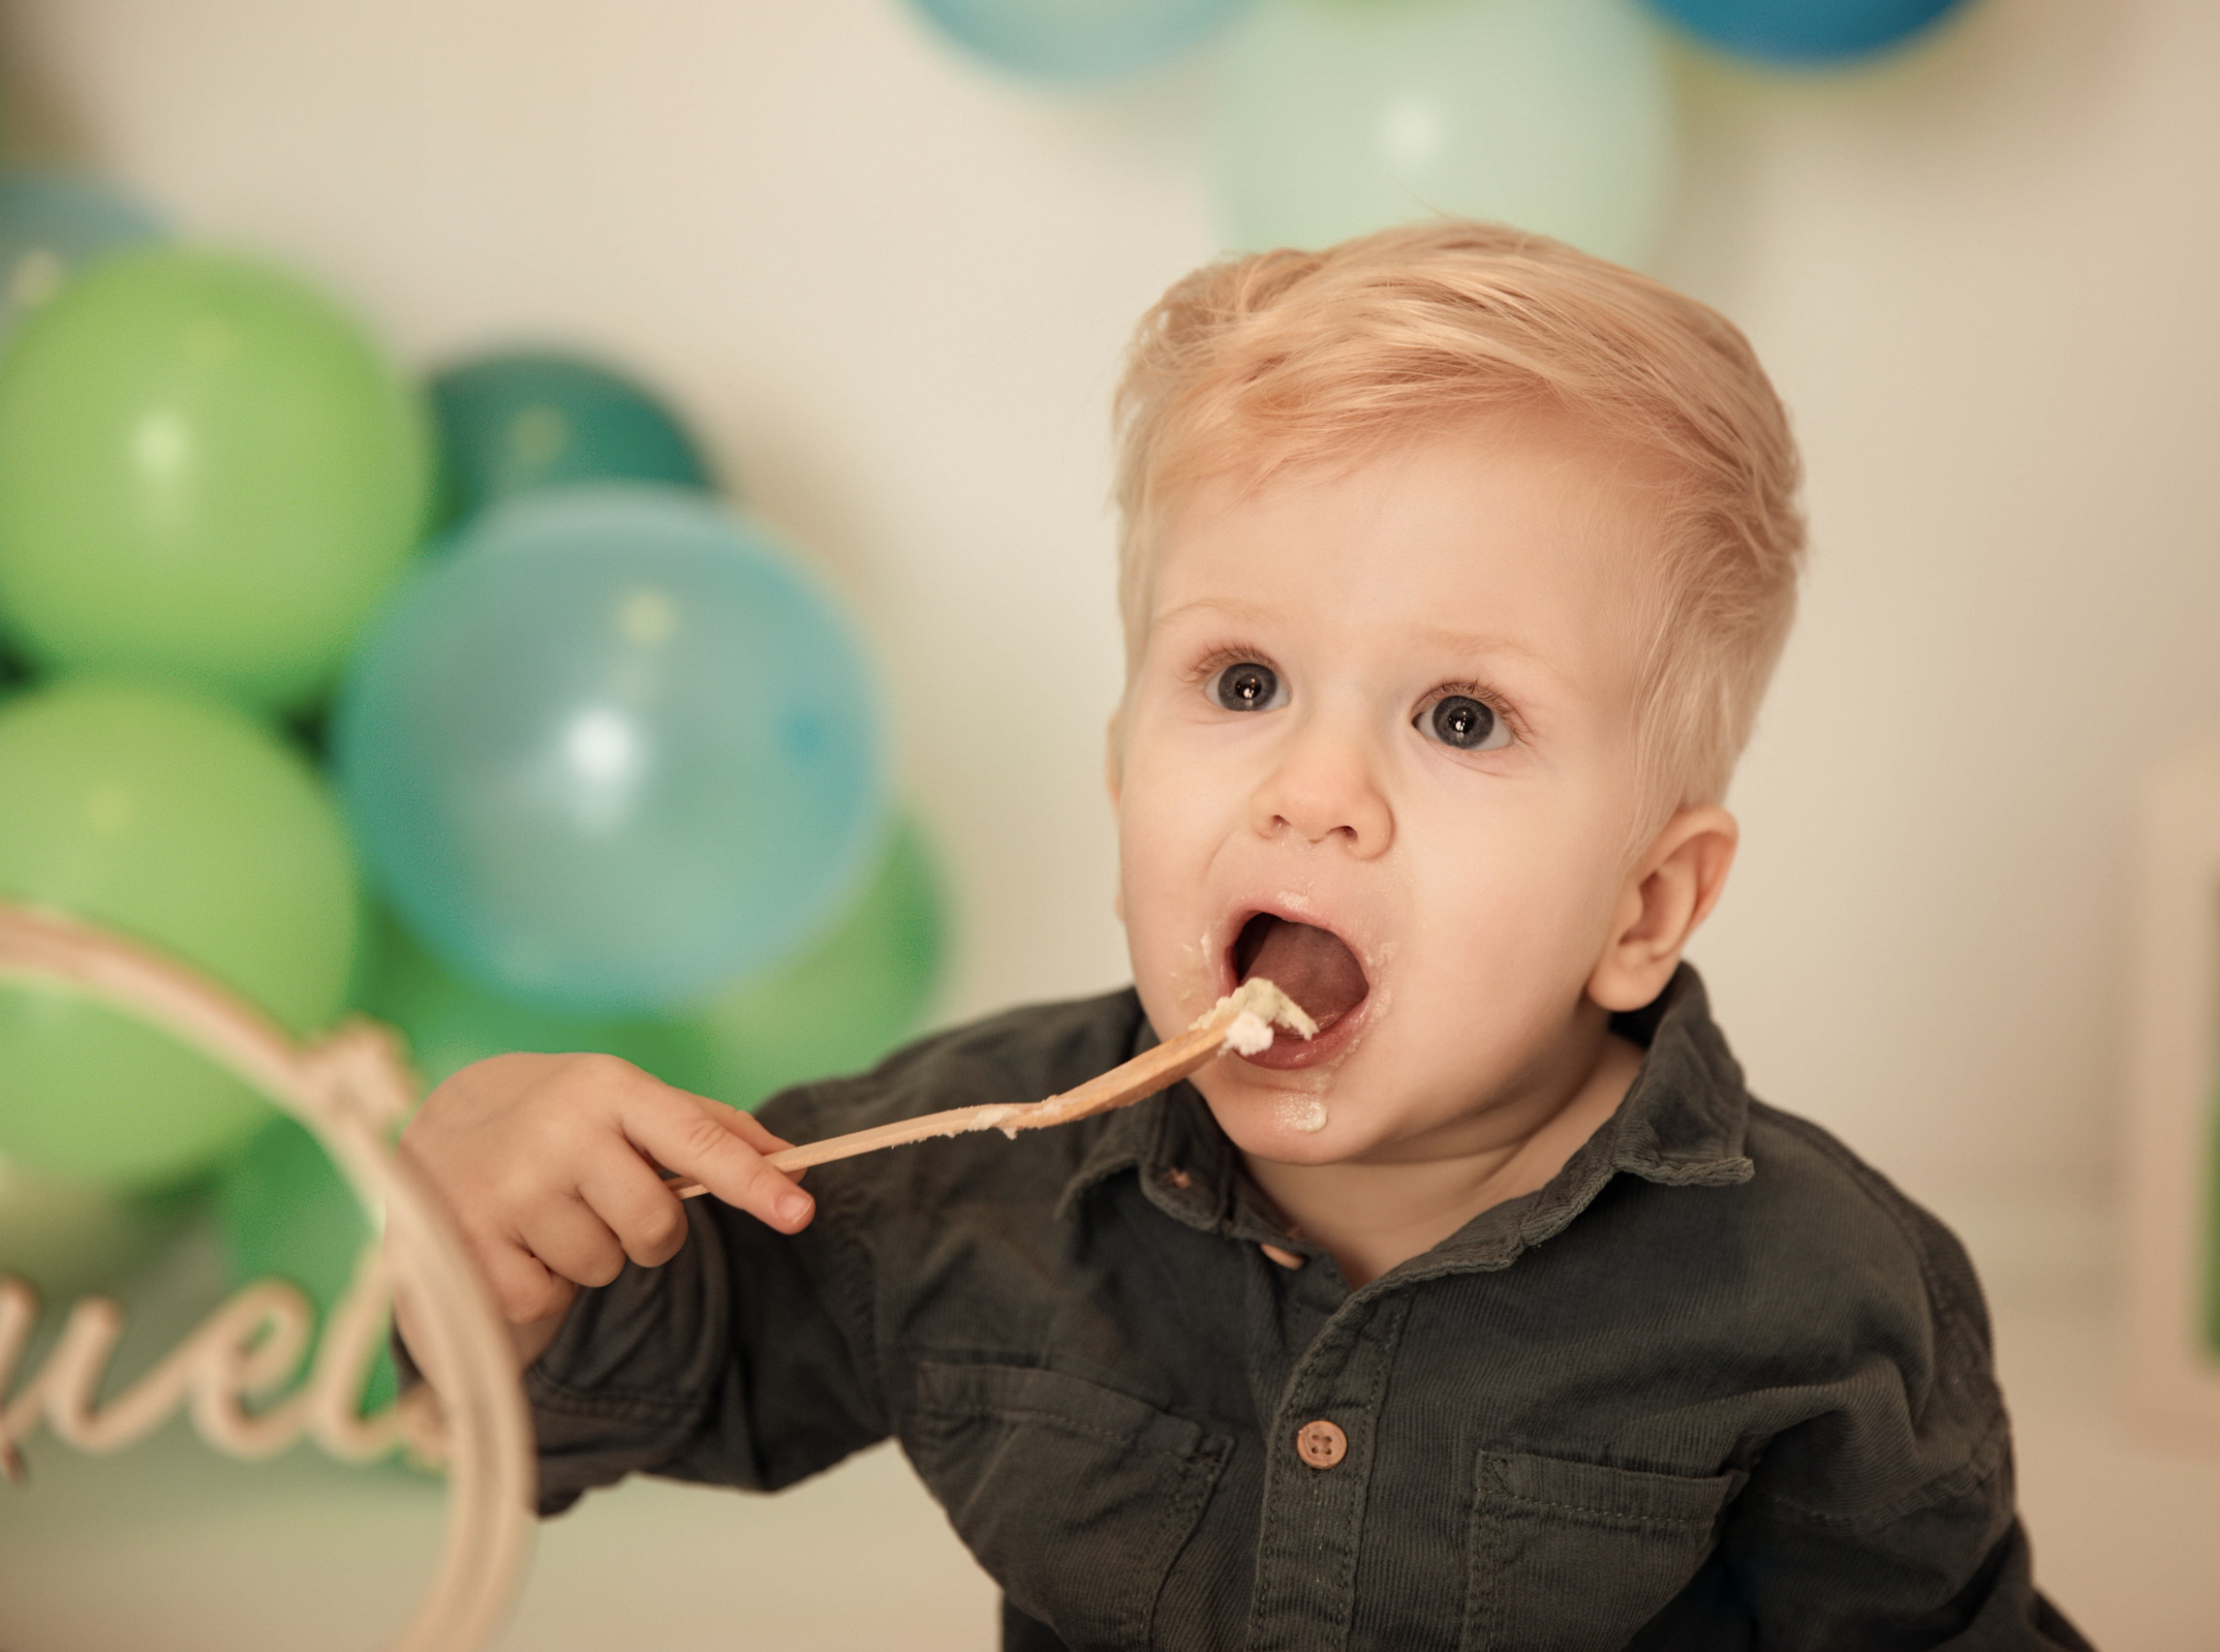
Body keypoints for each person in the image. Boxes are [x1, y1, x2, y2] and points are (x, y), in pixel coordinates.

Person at [394, 221, 2088, 1650]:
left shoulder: (1823, 1301)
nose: (1314, 790)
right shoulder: (965, 1180)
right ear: (1123, 759)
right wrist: (491, 1248)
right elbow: (599, 1395)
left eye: (1462, 716)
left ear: (1643, 906)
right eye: (1244, 682)